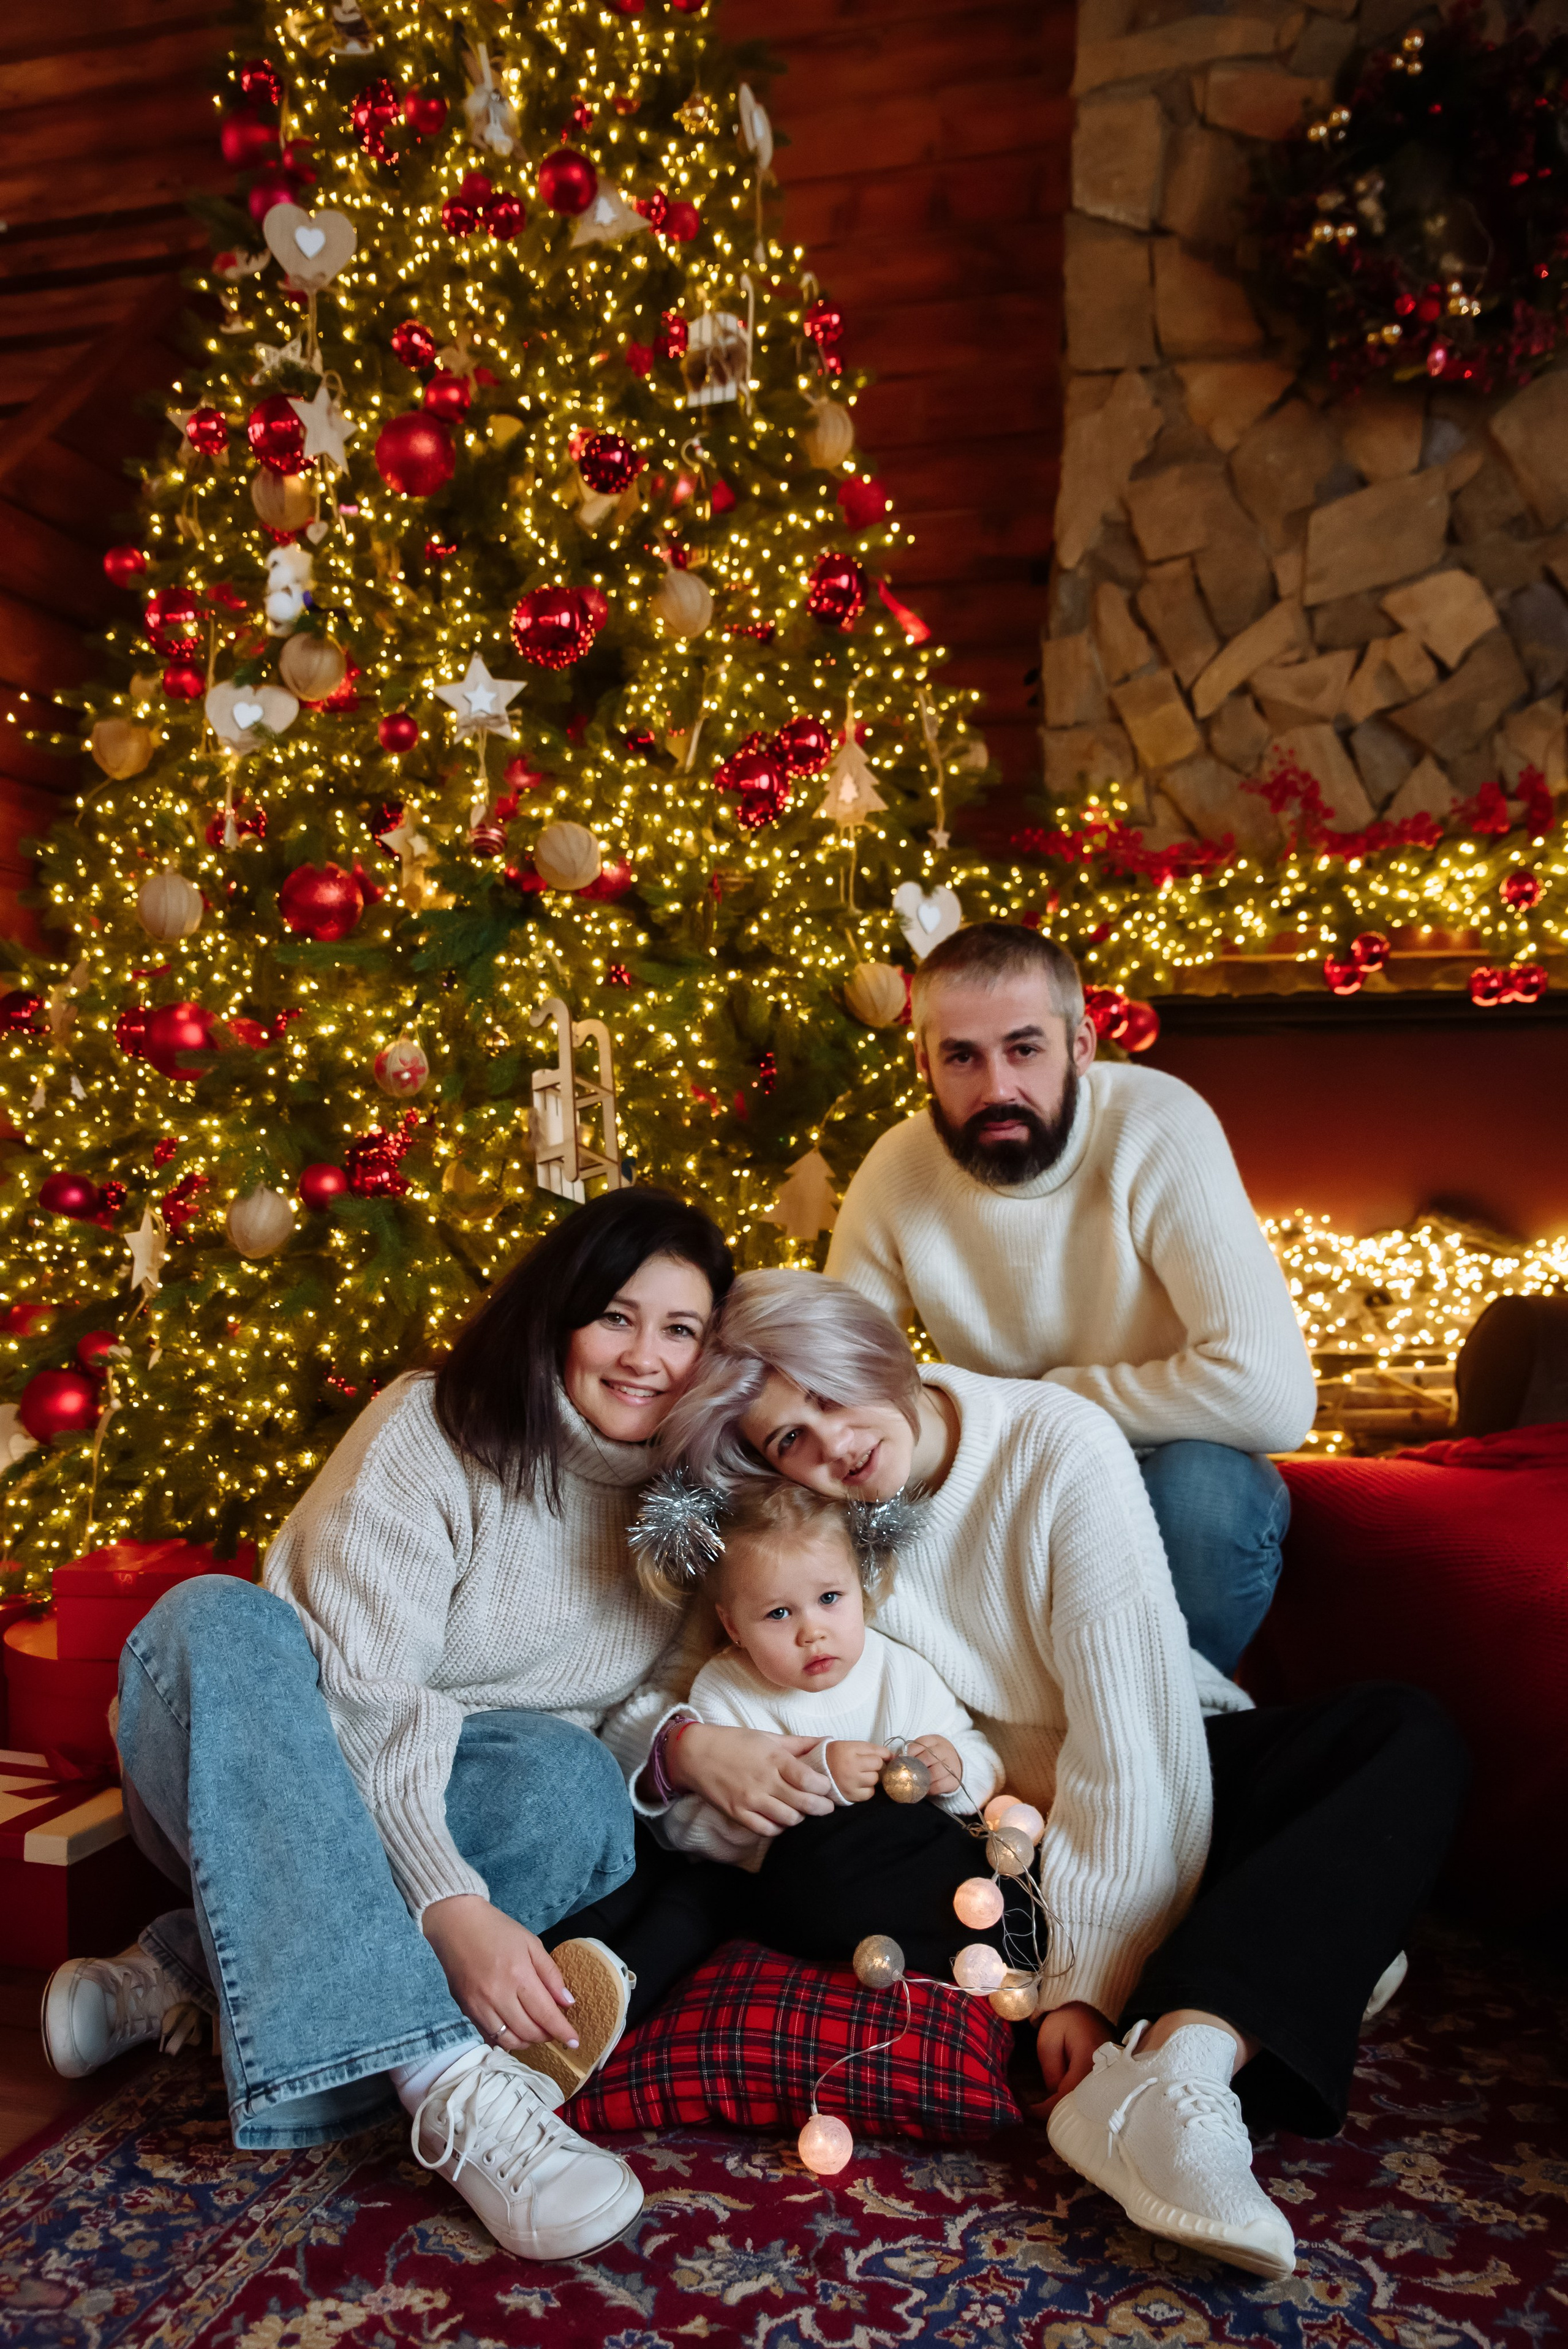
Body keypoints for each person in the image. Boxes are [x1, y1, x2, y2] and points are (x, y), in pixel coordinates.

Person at [39, 1186, 823, 2266]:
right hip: (268, 1764)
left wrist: (687, 1743)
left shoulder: (692, 1511)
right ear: (559, 1317)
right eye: (617, 1316)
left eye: (682, 1329)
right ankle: (443, 2078)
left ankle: (194, 1967)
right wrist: (449, 1906)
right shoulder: (434, 1426)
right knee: (215, 1619)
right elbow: (365, 1698)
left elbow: (631, 1709)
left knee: (576, 1786)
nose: (647, 1356)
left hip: (451, 1805)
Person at [647, 1268, 1465, 2281]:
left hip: (1163, 1770)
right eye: (788, 1441)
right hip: (982, 1830)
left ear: (871, 1353)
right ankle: (1289, 1947)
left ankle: (1182, 2070)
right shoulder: (806, 1516)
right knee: (815, 1861)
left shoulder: (1054, 1444)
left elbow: (1132, 1743)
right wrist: (692, 1744)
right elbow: (666, 1694)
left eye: (828, 1396)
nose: (834, 1449)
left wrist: (1082, 1987)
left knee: (1402, 1734)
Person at [824, 922, 1318, 1673]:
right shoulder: (897, 1170)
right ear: (924, 1062)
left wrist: (1045, 1399)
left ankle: (1181, 1720)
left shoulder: (1158, 1127)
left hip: (1172, 1458)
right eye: (962, 1057)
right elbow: (834, 1379)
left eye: (1025, 1049)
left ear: (1081, 1045)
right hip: (1015, 1473)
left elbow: (1273, 1396)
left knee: (1204, 1493)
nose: (997, 1089)